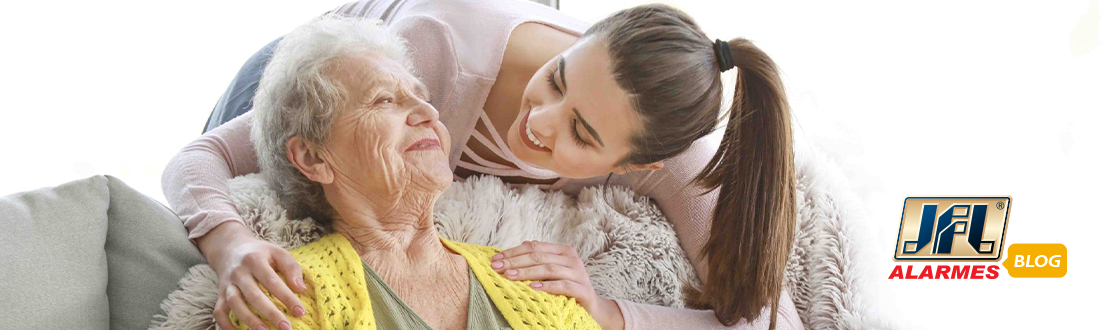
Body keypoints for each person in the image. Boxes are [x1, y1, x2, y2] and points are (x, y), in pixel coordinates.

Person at [163, 0, 803, 329]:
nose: (540, 121)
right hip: (320, 62)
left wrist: (608, 313)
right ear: (576, 39)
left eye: (581, 132)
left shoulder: (672, 149)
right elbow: (203, 156)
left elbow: (763, 320)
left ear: (645, 166)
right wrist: (231, 246)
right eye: (557, 79)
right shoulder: (433, 60)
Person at [227, 15, 600, 330]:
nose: (429, 113)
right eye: (384, 100)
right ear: (312, 158)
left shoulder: (533, 284)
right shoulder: (282, 298)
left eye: (423, 97)